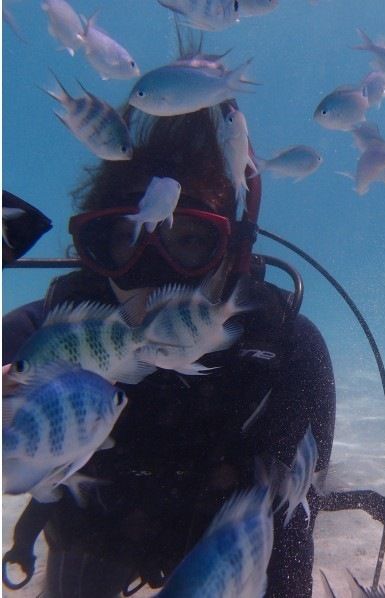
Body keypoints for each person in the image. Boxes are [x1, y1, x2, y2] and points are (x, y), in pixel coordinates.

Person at [2, 102, 336, 597]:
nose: (154, 277)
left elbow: (287, 548)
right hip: (97, 533)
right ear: (95, 256)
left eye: (187, 241)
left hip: (217, 556)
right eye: (125, 239)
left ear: (231, 253)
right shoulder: (44, 341)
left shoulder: (285, 353)